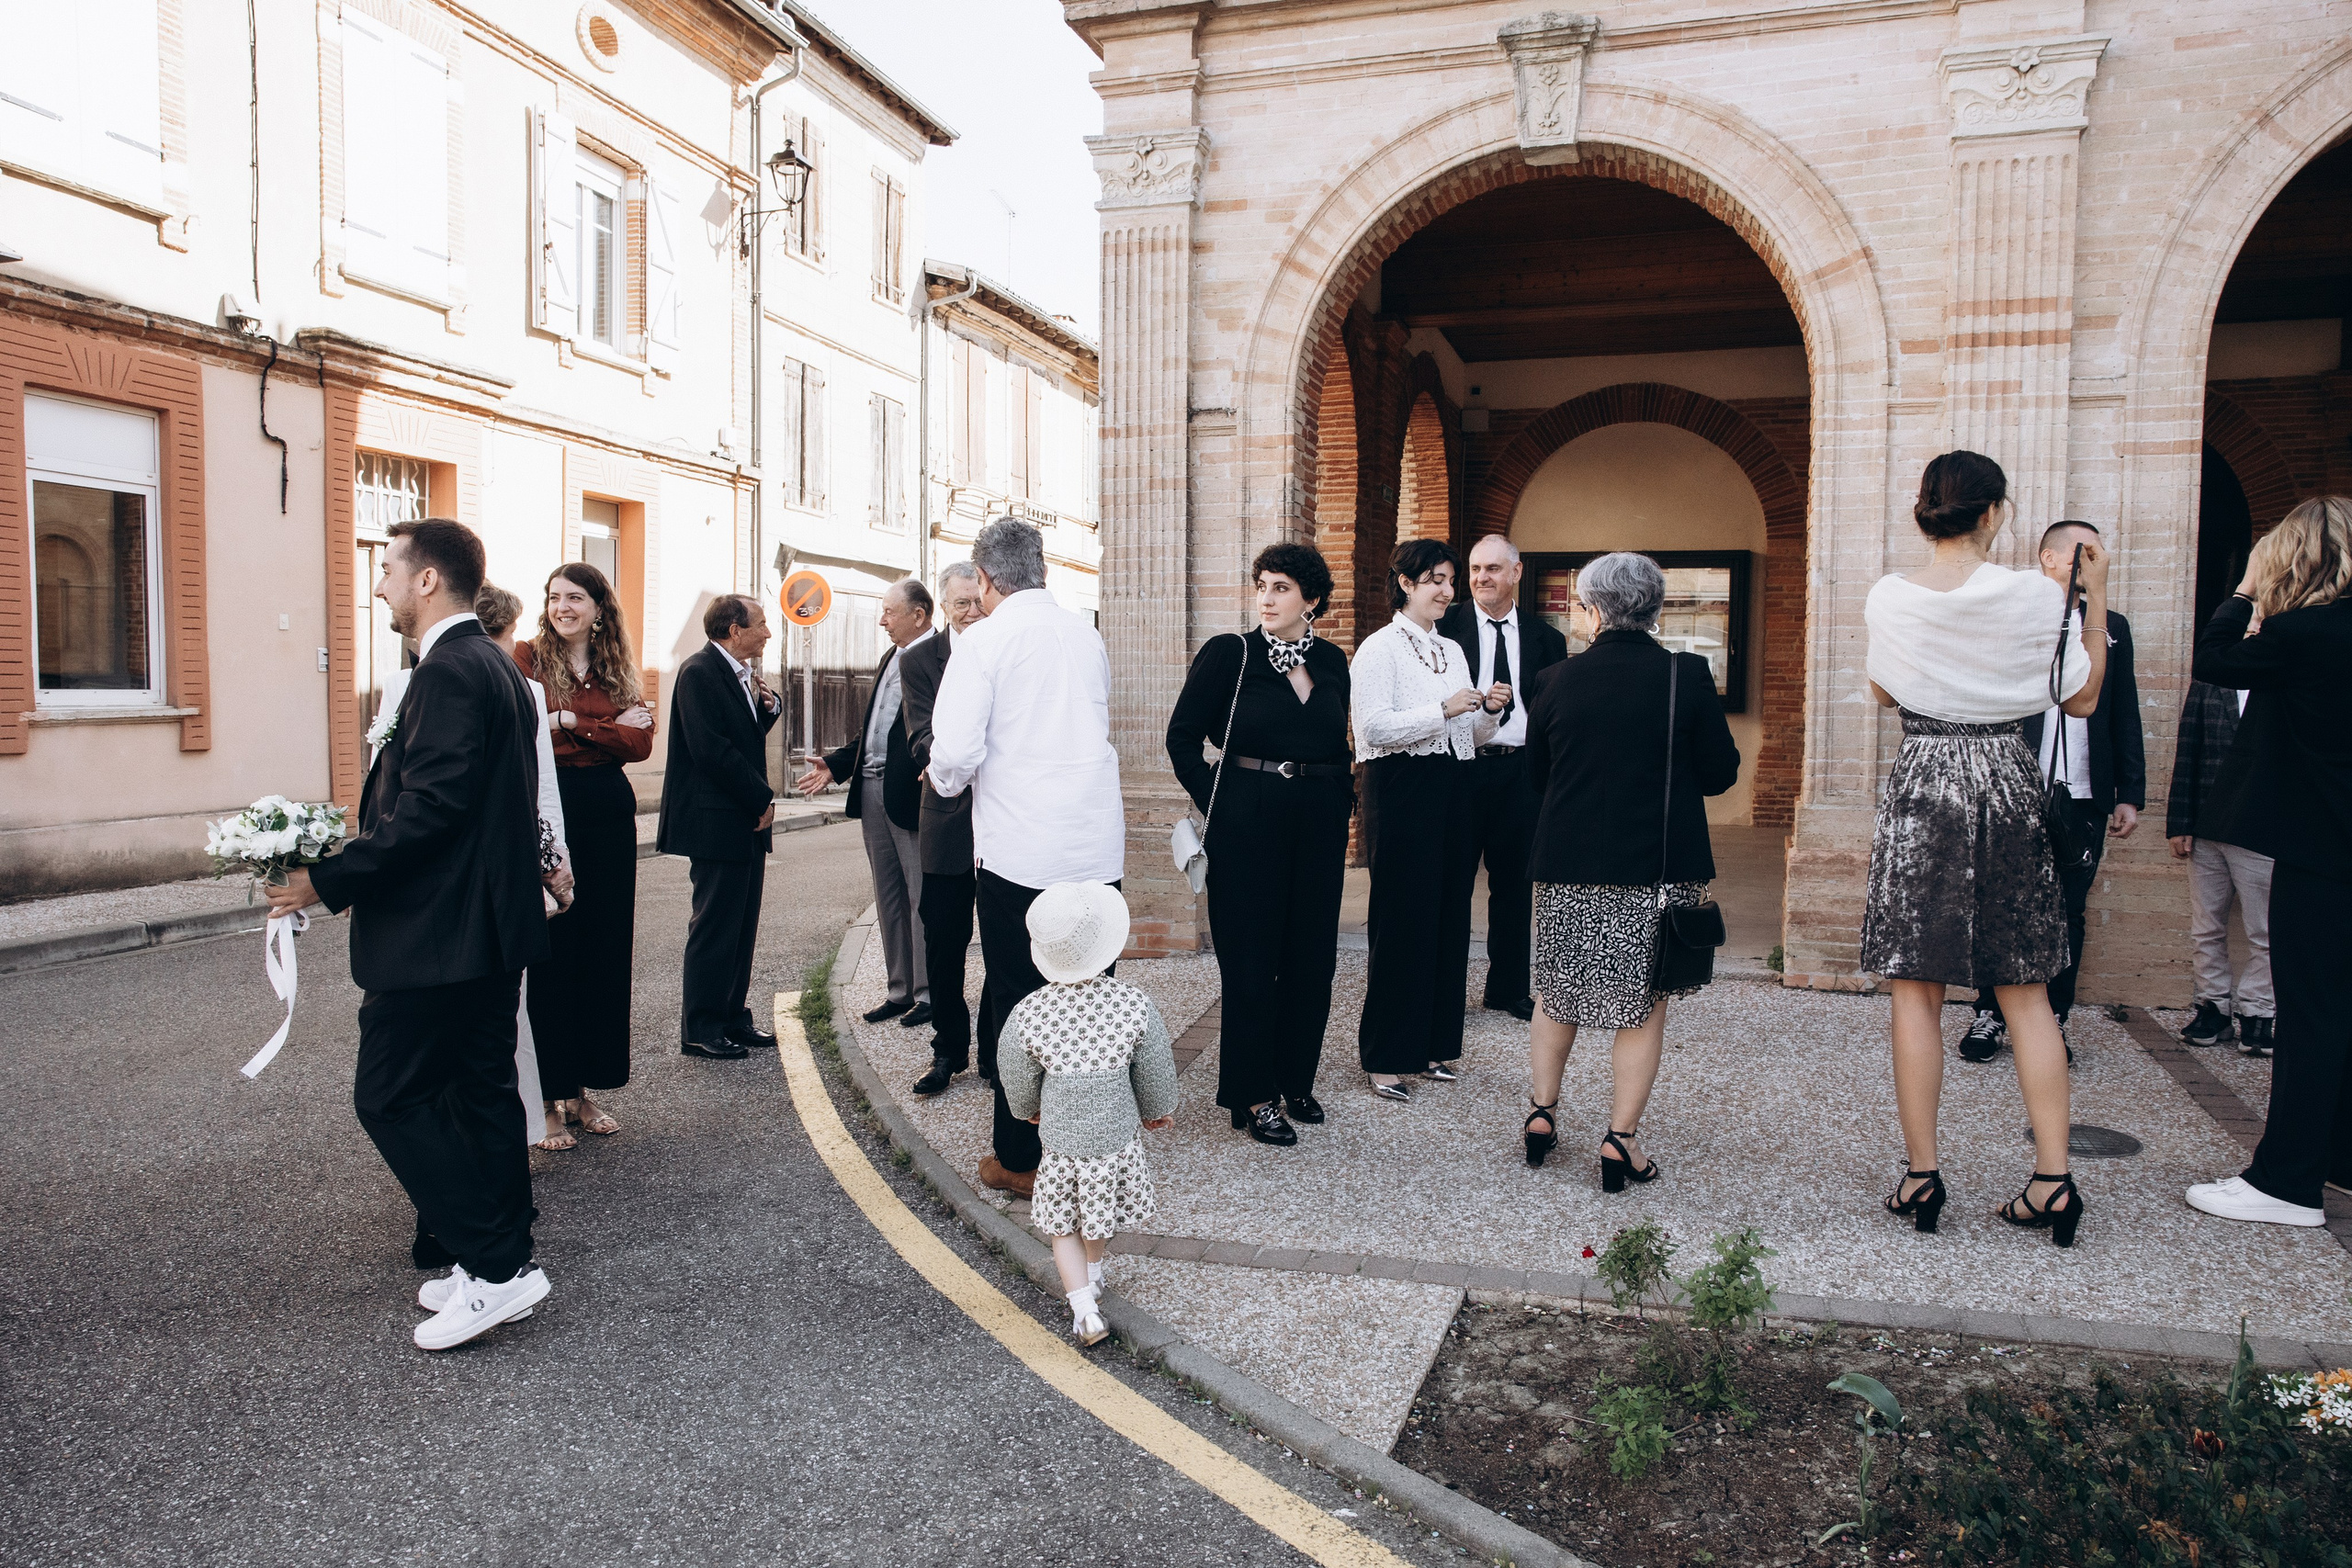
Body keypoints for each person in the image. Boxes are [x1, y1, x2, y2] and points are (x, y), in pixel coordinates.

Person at [265, 519, 557, 1349]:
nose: (380, 583)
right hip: (483, 928)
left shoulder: (451, 672)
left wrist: (326, 880)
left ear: (428, 579)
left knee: (389, 1095)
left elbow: (431, 810)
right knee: (481, 1093)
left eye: (390, 568)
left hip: (443, 935)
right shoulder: (495, 666)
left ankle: (497, 1268)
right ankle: (496, 1262)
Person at [1860, 450, 2106, 1248]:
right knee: (2026, 989)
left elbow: (1883, 692)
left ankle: (1922, 1175)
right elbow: (2082, 697)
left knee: (1916, 990)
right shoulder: (2036, 594)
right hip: (2006, 772)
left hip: (1926, 775)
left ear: (1924, 511)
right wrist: (2094, 598)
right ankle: (2053, 1179)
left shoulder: (1890, 594)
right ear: (1994, 512)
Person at [1519, 552, 1739, 1185]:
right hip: (1656, 867)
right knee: (1644, 1003)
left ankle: (1541, 1115)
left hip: (1568, 863)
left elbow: (1537, 776)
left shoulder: (1553, 680)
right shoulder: (1685, 676)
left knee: (1557, 991)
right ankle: (1620, 1140)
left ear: (1592, 610)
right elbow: (1720, 773)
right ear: (1654, 609)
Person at [927, 517, 1126, 1199]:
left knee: (1021, 1006)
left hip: (1023, 853)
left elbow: (955, 754)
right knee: (1089, 1005)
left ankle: (1021, 1158)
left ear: (984, 580)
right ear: (1042, 568)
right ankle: (1091, 1151)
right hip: (1095, 847)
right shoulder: (1086, 634)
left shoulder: (983, 642)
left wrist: (945, 781)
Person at [2185, 496, 2352, 1229]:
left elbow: (2213, 658)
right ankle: (2339, 1159)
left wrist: (2246, 588)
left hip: (2323, 851)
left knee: (2310, 1016)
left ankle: (2286, 1182)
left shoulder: (2304, 633)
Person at [1165, 542, 1353, 1145]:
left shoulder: (1332, 660)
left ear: (1311, 599)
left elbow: (1338, 743)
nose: (1267, 599)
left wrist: (1341, 802)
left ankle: (1295, 1080)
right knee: (1250, 963)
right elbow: (1182, 737)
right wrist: (1221, 804)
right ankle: (1252, 1095)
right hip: (1248, 825)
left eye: (1281, 588)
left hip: (1318, 827)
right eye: (1262, 586)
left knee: (1311, 961)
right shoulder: (1232, 653)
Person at [1957, 520, 2143, 1063]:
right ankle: (1991, 1013)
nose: (2098, 560)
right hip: (2017, 788)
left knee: (2069, 911)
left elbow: (2124, 709)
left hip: (2084, 793)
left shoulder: (2112, 627)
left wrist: (2128, 792)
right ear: (2050, 557)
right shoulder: (2016, 615)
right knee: (2001, 905)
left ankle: (2054, 1018)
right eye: (2088, 551)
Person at [1350, 538, 1507, 1102]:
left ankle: (1434, 1046)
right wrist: (1442, 708)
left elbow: (1469, 735)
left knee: (1448, 919)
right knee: (1402, 922)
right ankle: (1386, 1056)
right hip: (1401, 790)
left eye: (1448, 580)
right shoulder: (1379, 649)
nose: (1446, 590)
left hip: (1455, 787)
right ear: (1406, 583)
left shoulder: (1453, 650)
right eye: (1435, 580)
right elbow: (1372, 729)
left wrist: (1488, 712)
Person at [998, 883, 1178, 1346]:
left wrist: (1028, 1108)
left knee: (1062, 1225)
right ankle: (1094, 1272)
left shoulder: (1029, 1013)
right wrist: (1155, 1110)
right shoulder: (1132, 1003)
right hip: (1115, 1136)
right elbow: (1154, 1065)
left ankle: (1085, 1311)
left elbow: (1014, 1071)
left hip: (1062, 1141)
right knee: (1099, 1210)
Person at [514, 563, 653, 1137]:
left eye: (574, 597)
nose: (562, 607)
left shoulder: (616, 666)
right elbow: (527, 730)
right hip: (552, 808)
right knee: (553, 951)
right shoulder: (526, 658)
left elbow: (640, 743)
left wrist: (568, 720)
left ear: (599, 609)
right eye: (554, 597)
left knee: (602, 951)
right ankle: (547, 1100)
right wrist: (598, 724)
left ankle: (581, 1092)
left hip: (608, 814)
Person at [1440, 535, 1568, 1022]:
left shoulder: (1547, 639)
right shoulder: (1444, 630)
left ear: (1515, 573)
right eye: (1474, 569)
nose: (1481, 578)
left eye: (1492, 568)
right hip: (1460, 769)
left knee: (1514, 886)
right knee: (1452, 883)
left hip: (1520, 773)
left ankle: (1508, 988)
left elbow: (1553, 714)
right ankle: (1446, 992)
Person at [797, 579, 936, 1031]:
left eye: (890, 612)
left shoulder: (942, 657)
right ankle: (899, 990)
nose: (882, 621)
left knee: (920, 895)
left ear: (919, 615)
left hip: (912, 791)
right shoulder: (889, 657)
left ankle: (928, 994)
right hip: (872, 788)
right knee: (888, 895)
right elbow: (872, 730)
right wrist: (837, 764)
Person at [657, 593, 781, 1060]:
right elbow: (711, 750)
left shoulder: (740, 672)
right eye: (761, 624)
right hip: (716, 820)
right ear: (734, 630)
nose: (767, 632)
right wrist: (760, 797)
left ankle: (732, 1017)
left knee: (741, 926)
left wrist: (769, 707)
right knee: (714, 927)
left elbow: (743, 734)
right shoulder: (699, 672)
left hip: (742, 821)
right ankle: (701, 1027)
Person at [473, 586, 570, 1160]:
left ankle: (523, 1123)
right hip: (463, 874)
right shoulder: (404, 684)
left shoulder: (528, 691)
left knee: (511, 1010)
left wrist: (554, 859)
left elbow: (541, 787)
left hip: (511, 867)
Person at [899, 563, 991, 1096]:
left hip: (1004, 818)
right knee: (944, 943)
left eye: (979, 601)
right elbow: (921, 736)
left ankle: (997, 1056)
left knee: (1004, 943)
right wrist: (952, 760)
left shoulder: (1005, 647)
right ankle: (948, 1051)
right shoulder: (918, 661)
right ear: (945, 607)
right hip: (947, 819)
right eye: (962, 603)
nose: (973, 612)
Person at [2165, 678, 2274, 1055]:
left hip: (2262, 830)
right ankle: (2213, 1009)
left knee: (2265, 931)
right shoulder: (2210, 682)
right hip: (2207, 827)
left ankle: (2259, 1013)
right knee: (2207, 927)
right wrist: (2179, 824)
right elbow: (2187, 752)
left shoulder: (2284, 681)